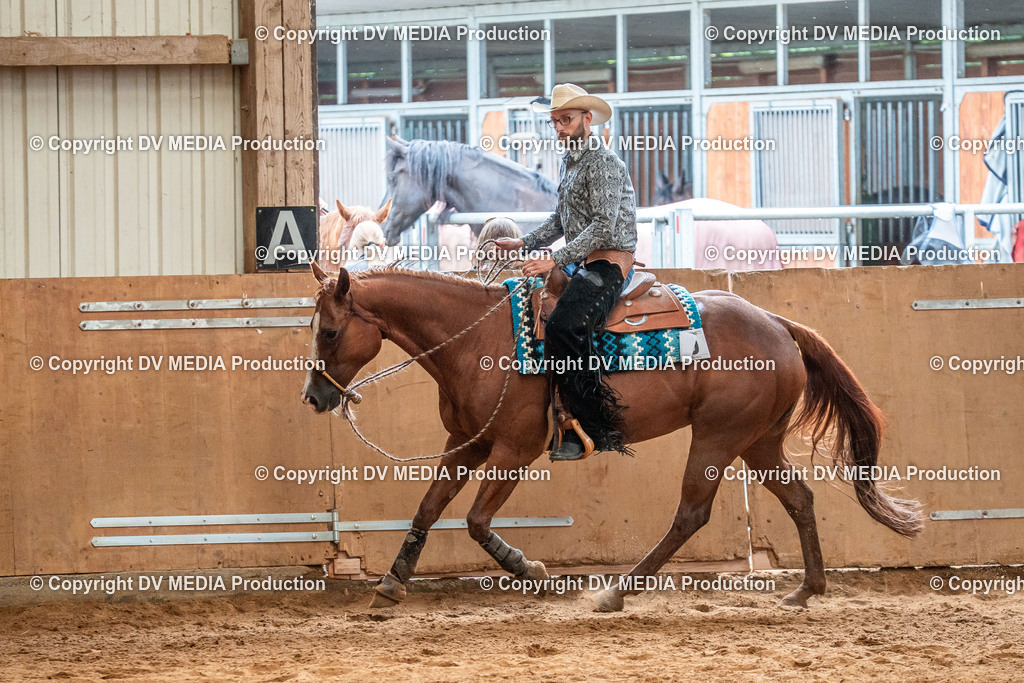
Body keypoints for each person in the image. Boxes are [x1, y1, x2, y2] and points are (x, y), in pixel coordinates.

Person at [495, 83, 638, 461]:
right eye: (555, 121)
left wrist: (555, 260)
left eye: (566, 119)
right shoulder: (570, 161)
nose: (559, 128)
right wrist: (524, 243)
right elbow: (562, 219)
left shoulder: (604, 163)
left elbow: (604, 226)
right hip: (583, 259)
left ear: (587, 120)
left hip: (608, 262)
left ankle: (593, 427)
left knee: (564, 324)